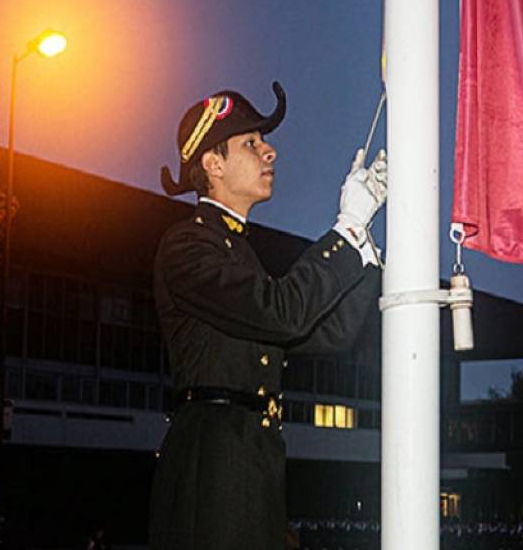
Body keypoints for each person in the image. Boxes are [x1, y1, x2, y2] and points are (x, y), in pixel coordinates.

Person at [148, 82, 386, 549]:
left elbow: (327, 334)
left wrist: (366, 251)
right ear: (212, 165)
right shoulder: (186, 246)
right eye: (251, 144)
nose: (270, 152)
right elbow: (282, 314)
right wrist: (347, 230)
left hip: (250, 465)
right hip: (211, 469)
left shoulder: (238, 252)